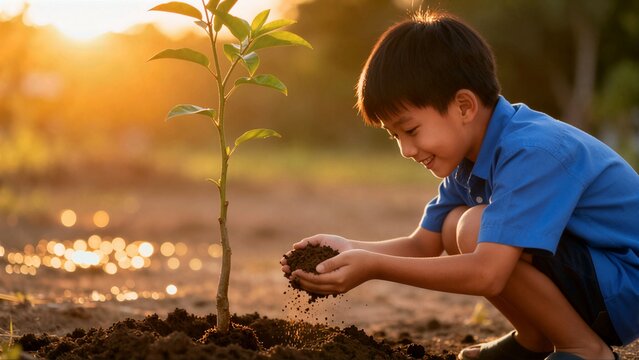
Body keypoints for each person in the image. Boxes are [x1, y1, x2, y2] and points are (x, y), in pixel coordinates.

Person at [280, 10, 639, 360]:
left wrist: (373, 267)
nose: (405, 149)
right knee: (454, 225)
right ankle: (535, 339)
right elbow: (422, 245)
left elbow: (488, 273)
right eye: (394, 136)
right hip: (599, 284)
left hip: (626, 286)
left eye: (411, 130)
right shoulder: (468, 161)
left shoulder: (532, 150)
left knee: (473, 228)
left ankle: (583, 348)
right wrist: (348, 249)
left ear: (464, 106)